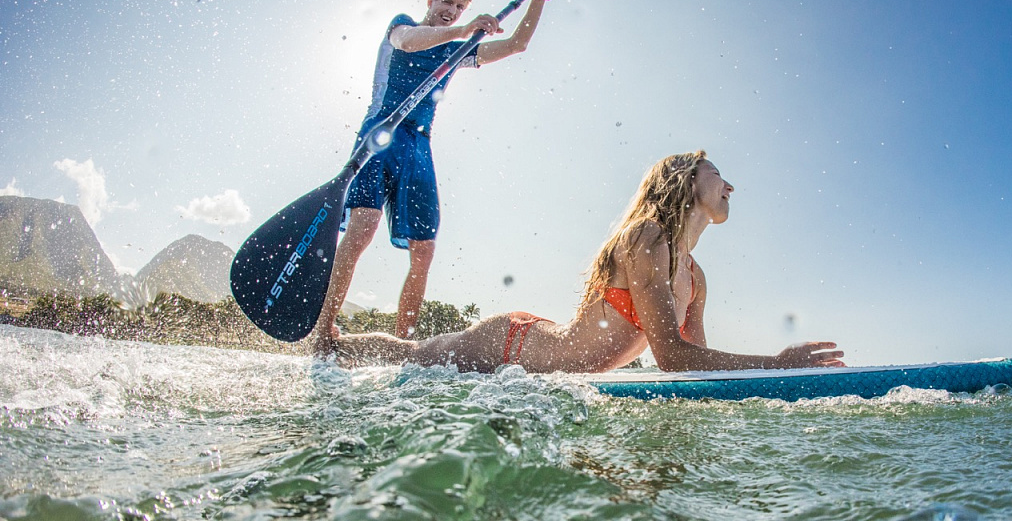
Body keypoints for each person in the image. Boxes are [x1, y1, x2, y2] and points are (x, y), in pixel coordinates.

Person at [329, 150, 846, 373]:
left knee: (415, 355)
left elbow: (694, 365)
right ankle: (331, 342)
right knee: (411, 356)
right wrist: (776, 365)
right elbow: (672, 357)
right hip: (511, 344)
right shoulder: (645, 238)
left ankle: (332, 343)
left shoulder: (695, 276)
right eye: (716, 173)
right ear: (686, 182)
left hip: (545, 350)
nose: (729, 185)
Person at [311, 0, 562, 354]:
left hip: (418, 146)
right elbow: (410, 43)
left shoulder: (456, 51)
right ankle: (324, 331)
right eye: (446, 2)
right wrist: (463, 32)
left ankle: (404, 347)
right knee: (363, 228)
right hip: (381, 135)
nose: (452, 10)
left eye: (460, 8)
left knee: (424, 249)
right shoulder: (403, 26)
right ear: (431, 1)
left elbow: (517, 45)